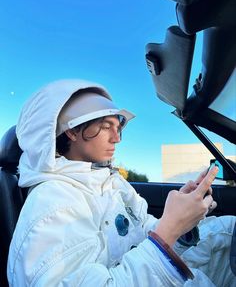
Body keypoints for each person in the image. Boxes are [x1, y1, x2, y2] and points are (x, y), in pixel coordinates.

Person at [7, 79, 235, 286]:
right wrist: (169, 229)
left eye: (118, 128)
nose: (116, 138)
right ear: (72, 131)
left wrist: (181, 222)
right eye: (106, 127)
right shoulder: (53, 201)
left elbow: (144, 234)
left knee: (228, 231)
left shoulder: (111, 182)